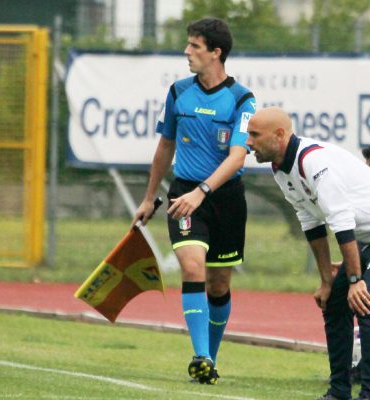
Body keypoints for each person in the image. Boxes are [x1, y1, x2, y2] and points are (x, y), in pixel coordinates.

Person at [246, 107, 370, 400]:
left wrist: (356, 279)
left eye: (254, 135)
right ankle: (339, 391)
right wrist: (326, 281)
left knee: (365, 300)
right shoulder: (280, 168)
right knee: (334, 301)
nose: (248, 142)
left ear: (279, 135)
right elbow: (312, 223)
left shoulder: (314, 160)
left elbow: (342, 222)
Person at [131, 17, 256, 385]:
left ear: (216, 53)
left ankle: (209, 360)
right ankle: (200, 354)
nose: (186, 52)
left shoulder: (242, 100)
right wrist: (150, 197)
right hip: (182, 193)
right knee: (192, 268)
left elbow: (237, 156)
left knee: (218, 285)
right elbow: (164, 146)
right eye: (188, 45)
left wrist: (204, 191)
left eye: (195, 46)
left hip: (226, 198)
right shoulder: (177, 92)